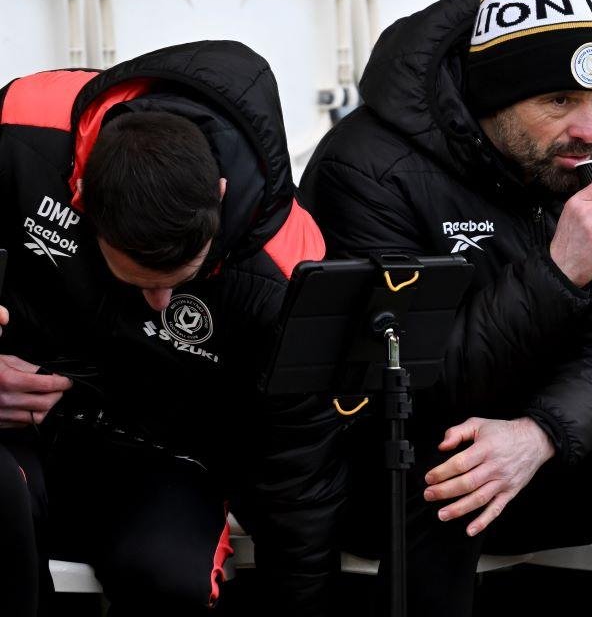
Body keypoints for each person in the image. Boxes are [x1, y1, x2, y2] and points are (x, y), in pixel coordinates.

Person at [300, 0, 592, 616]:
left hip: (536, 439)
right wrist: (556, 271)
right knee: (447, 475)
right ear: (489, 100)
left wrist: (539, 433)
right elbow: (399, 383)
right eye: (558, 102)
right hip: (393, 453)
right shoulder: (370, 168)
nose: (589, 129)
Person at [0, 41, 344, 617]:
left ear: (220, 196)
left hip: (162, 451)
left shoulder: (290, 263)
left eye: (182, 280)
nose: (160, 304)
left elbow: (300, 466)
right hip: (13, 434)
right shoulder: (23, 126)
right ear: (83, 202)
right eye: (136, 280)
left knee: (169, 578)